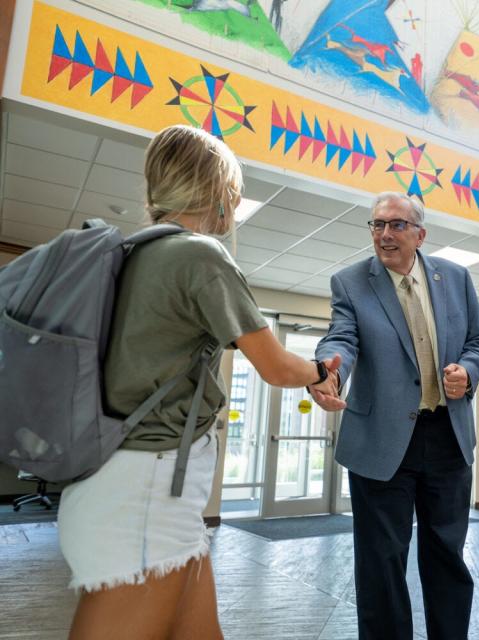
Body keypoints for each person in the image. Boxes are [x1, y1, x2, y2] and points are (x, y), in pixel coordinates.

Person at [57, 124, 344, 640]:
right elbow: (275, 365)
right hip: (148, 485)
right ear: (220, 193)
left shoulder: (133, 254)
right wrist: (321, 372)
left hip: (133, 482)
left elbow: (214, 343)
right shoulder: (198, 255)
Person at [310, 192, 479, 640]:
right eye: (376, 225)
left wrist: (466, 373)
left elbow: (477, 341)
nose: (384, 234)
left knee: (447, 554)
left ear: (420, 234)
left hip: (447, 436)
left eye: (395, 225)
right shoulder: (350, 282)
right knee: (382, 562)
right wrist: (328, 373)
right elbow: (341, 339)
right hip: (381, 442)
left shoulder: (456, 277)